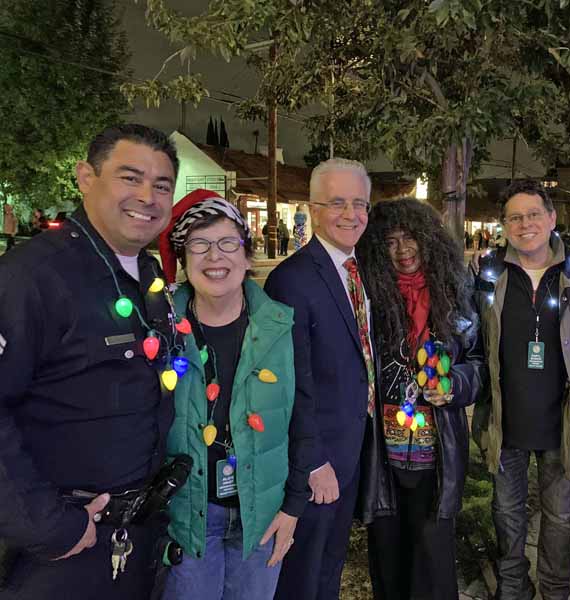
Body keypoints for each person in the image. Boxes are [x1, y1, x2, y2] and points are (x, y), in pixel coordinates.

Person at [0, 124, 182, 599]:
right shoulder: (33, 277)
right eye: (130, 177)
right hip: (62, 549)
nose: (147, 196)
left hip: (135, 538)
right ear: (85, 176)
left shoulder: (146, 273)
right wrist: (46, 524)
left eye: (161, 185)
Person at [156, 190, 310, 600]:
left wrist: (293, 506)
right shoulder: (162, 333)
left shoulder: (280, 327)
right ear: (184, 262)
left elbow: (303, 418)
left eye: (227, 243)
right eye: (199, 245)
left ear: (246, 255)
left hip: (260, 515)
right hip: (187, 517)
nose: (215, 257)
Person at [357, 198, 486, 600]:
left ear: (429, 240)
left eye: (410, 238)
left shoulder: (457, 291)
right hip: (384, 452)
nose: (403, 250)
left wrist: (455, 386)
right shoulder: (367, 299)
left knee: (432, 553)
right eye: (390, 242)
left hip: (437, 450)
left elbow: (480, 364)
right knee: (389, 552)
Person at [472, 180, 570, 600]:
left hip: (560, 420)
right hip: (506, 419)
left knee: (559, 516)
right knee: (506, 512)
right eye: (515, 217)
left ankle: (555, 591)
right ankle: (513, 587)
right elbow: (471, 341)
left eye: (534, 214)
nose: (525, 224)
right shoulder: (489, 275)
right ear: (504, 224)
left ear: (552, 218)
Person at [264, 158, 374, 600]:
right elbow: (291, 382)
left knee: (330, 566)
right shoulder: (291, 279)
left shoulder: (357, 269)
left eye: (360, 204)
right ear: (312, 208)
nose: (352, 214)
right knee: (301, 576)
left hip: (352, 450)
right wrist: (312, 462)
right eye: (338, 203)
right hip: (318, 462)